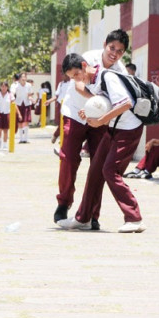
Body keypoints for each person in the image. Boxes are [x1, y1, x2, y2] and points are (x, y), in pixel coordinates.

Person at [57, 52, 146, 233]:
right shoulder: (94, 81)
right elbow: (106, 104)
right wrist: (89, 113)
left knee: (109, 171)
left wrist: (100, 121)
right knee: (96, 170)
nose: (76, 80)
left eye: (76, 75)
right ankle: (84, 219)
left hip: (128, 129)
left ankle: (134, 218)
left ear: (84, 65)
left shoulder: (107, 77)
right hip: (114, 128)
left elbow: (125, 103)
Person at [53, 29, 129, 226]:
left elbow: (117, 100)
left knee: (98, 167)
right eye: (112, 48)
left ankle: (92, 213)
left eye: (120, 51)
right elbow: (79, 85)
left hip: (99, 119)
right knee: (68, 158)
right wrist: (93, 102)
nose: (114, 53)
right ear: (105, 44)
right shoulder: (88, 59)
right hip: (75, 112)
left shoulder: (120, 71)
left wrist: (98, 112)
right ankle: (64, 201)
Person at [0, 81, 12, 150]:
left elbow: (13, 104)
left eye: (5, 86)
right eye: (2, 86)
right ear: (0, 87)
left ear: (7, 87)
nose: (3, 88)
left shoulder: (10, 95)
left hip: (7, 113)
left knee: (5, 130)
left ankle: (5, 144)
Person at [14, 73, 32, 143]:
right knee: (19, 121)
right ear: (19, 78)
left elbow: (29, 94)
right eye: (22, 77)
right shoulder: (16, 85)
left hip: (26, 103)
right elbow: (13, 94)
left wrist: (31, 99)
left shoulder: (29, 85)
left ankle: (26, 138)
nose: (23, 78)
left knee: (26, 121)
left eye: (25, 77)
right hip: (18, 103)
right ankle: (21, 138)